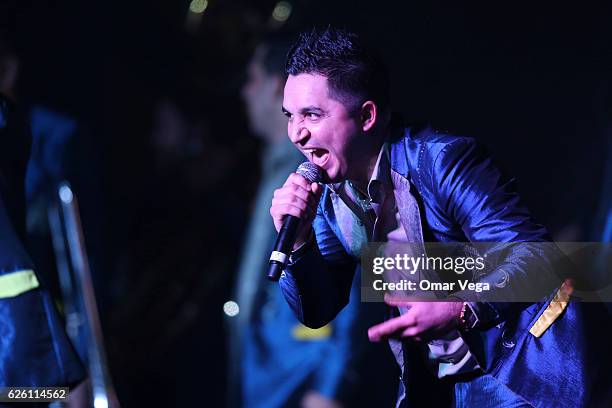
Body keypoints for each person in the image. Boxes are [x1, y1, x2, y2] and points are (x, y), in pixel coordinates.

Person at [270, 27, 611, 407]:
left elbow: (533, 256)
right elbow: (317, 309)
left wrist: (461, 309)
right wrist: (298, 241)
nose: (297, 134)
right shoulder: (331, 197)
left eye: (312, 115)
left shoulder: (440, 160)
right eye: (290, 116)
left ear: (366, 116)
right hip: (447, 387)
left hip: (526, 371)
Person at [227, 35, 395, 408]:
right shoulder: (283, 169)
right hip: (266, 380)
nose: (244, 93)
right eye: (293, 117)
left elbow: (356, 279)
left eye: (251, 79)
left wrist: (331, 385)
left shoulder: (326, 169)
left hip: (303, 380)